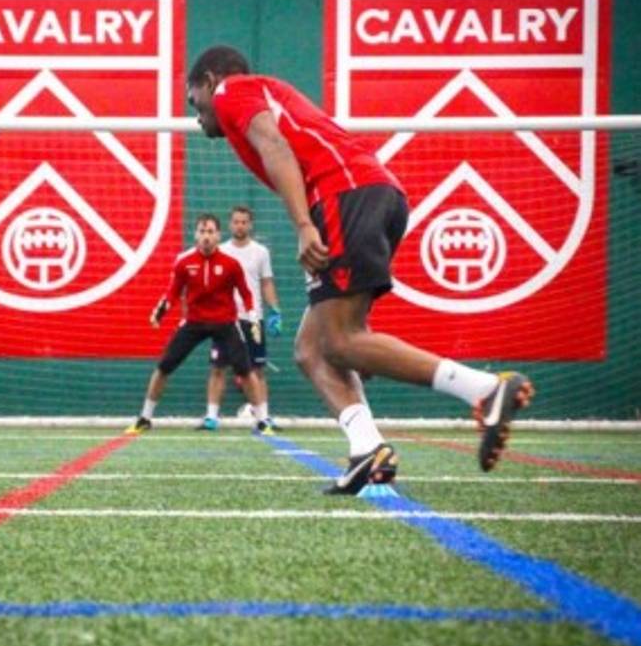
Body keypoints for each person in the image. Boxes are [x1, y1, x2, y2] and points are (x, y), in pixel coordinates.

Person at [186, 45, 534, 494]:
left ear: (211, 80)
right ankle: (368, 450)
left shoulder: (233, 90)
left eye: (193, 99)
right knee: (313, 350)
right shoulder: (258, 95)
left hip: (343, 194)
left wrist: (304, 224)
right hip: (371, 193)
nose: (195, 114)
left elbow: (273, 143)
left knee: (343, 341)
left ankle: (483, 388)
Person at [125, 213, 272, 435]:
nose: (206, 237)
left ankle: (262, 421)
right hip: (194, 322)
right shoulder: (184, 262)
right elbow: (172, 293)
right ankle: (145, 417)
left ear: (218, 235)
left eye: (211, 232)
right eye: (202, 232)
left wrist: (252, 318)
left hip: (225, 323)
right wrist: (162, 310)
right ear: (196, 234)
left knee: (246, 369)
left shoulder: (231, 264)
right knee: (164, 366)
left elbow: (247, 294)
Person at [198, 205, 283, 433]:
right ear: (230, 224)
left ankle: (263, 418)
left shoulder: (261, 252)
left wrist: (275, 311)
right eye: (236, 221)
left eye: (244, 222)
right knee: (218, 368)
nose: (240, 225)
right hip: (224, 320)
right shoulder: (220, 251)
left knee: (257, 370)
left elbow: (266, 282)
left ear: (250, 224)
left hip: (253, 320)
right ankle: (211, 417)